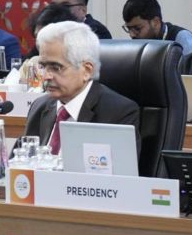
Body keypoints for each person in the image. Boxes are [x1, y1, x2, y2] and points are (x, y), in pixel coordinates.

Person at [22, 21, 140, 155]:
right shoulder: (40, 106)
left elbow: (117, 172)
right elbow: (18, 165)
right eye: (43, 66)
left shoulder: (118, 113)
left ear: (86, 70)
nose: (46, 76)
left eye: (56, 67)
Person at [121, 0, 192, 55]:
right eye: (129, 28)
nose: (132, 35)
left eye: (137, 28)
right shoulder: (139, 43)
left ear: (155, 22)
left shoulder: (182, 38)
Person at [20, 3, 77, 84]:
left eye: (44, 37)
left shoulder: (79, 69)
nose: (38, 43)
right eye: (37, 37)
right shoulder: (32, 63)